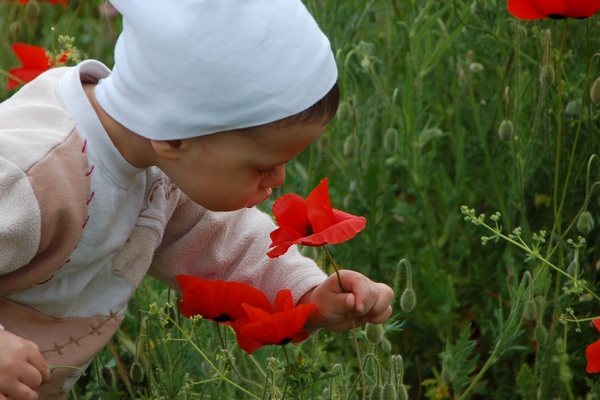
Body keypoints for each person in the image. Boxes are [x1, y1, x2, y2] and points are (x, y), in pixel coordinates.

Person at [0, 1, 395, 399]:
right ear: (173, 137)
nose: (279, 179)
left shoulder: (158, 159)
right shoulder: (37, 175)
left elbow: (222, 243)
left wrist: (308, 295)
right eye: (264, 167)